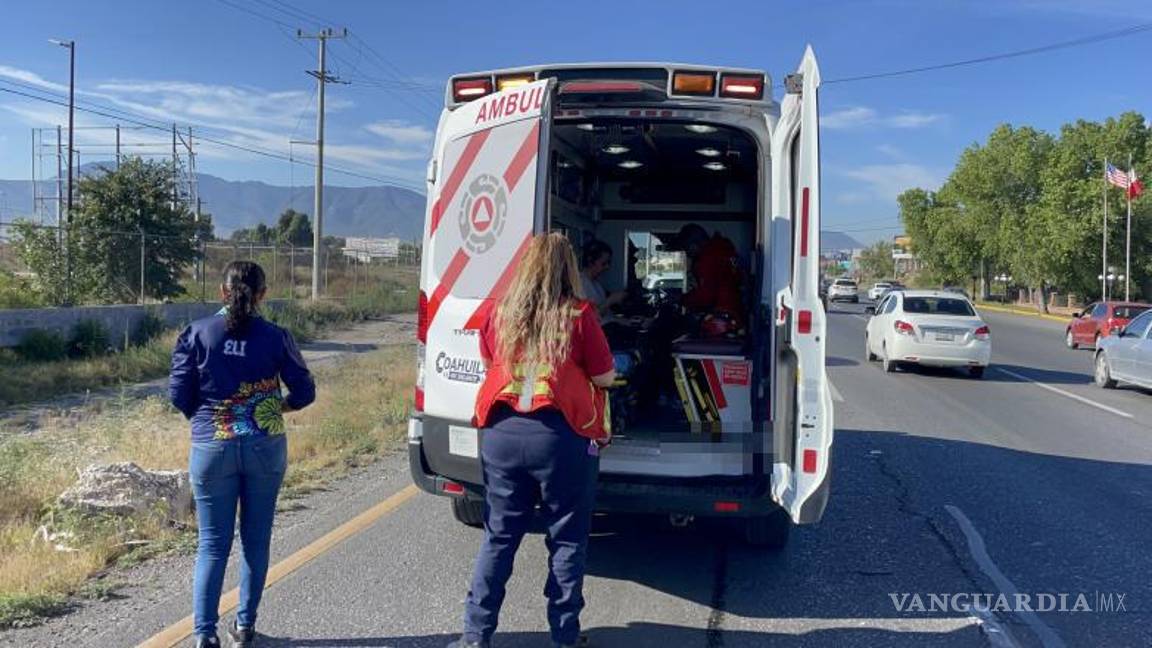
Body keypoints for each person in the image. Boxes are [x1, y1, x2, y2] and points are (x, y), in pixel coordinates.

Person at [449, 233, 615, 648]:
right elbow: (604, 377)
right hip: (559, 439)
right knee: (566, 538)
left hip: (501, 435)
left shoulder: (500, 313)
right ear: (568, 270)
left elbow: (492, 364)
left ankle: (475, 635)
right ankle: (564, 636)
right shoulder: (578, 315)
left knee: (499, 536)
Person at [170, 261, 315, 648]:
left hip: (211, 447)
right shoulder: (276, 336)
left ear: (222, 291)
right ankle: (244, 627)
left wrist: (206, 418)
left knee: (213, 544)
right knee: (256, 539)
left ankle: (204, 636)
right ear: (263, 294)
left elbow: (178, 394)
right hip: (264, 448)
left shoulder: (196, 333)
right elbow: (304, 392)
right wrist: (273, 409)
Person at [668, 223, 744, 326]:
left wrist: (682, 299)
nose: (687, 254)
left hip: (720, 318)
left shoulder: (708, 258)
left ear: (694, 245)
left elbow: (706, 296)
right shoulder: (724, 249)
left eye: (686, 249)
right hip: (733, 314)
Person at [580, 239, 626, 315]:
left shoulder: (597, 285)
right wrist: (610, 300)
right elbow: (588, 317)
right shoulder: (580, 284)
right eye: (604, 263)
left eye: (609, 263)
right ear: (590, 261)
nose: (607, 267)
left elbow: (605, 314)